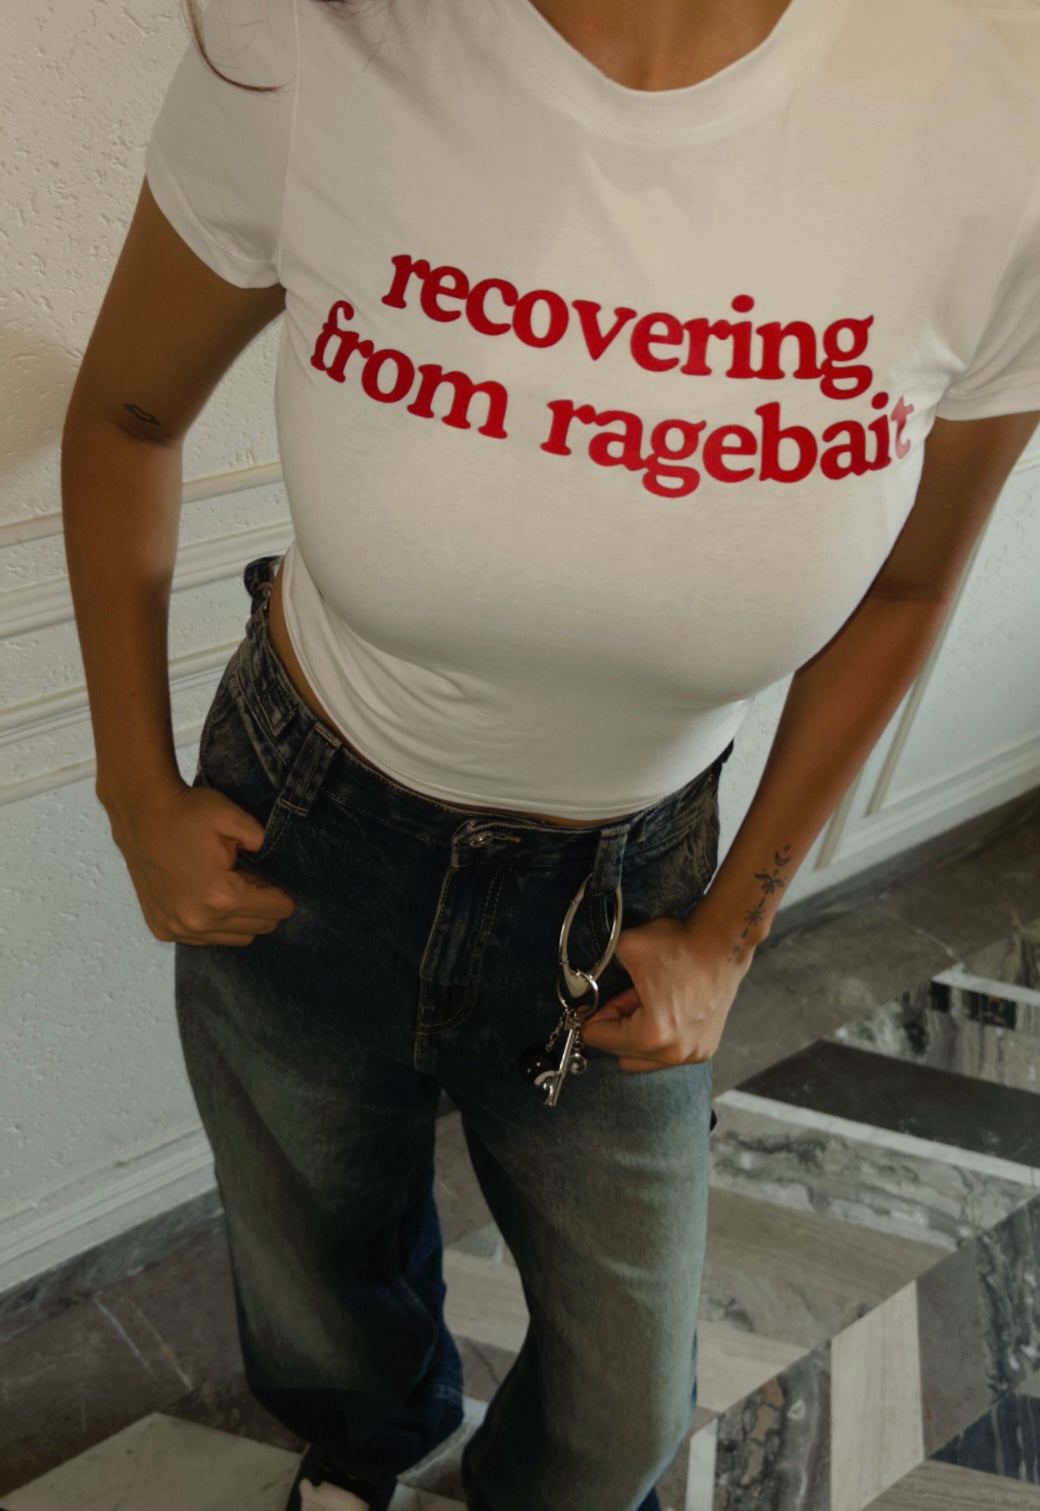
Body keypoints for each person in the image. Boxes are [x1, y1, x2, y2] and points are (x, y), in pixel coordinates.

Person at [61, 0, 1039, 1504]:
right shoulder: (321, 34)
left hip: (629, 890)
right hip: (303, 830)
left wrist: (734, 931)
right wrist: (134, 788)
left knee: (616, 1425)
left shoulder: (1001, 116)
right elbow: (128, 412)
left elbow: (907, 588)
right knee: (316, 1273)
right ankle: (366, 1458)